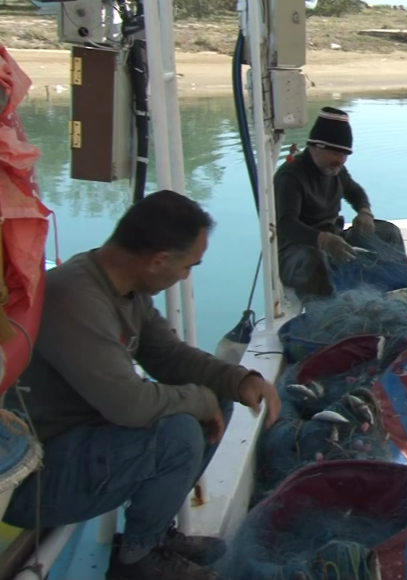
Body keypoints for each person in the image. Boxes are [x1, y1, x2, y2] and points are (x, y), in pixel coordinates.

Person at [3, 190, 282, 580]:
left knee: (217, 397)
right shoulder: (75, 298)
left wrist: (238, 379)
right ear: (158, 261)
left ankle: (153, 532)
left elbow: (168, 355)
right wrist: (199, 401)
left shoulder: (124, 286)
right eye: (188, 266)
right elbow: (128, 405)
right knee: (179, 433)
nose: (187, 276)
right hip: (35, 477)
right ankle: (136, 562)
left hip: (84, 441)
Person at [275, 106, 406, 298]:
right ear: (316, 147)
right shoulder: (291, 176)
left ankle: (393, 295)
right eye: (336, 153)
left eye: (345, 154)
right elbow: (287, 224)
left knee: (388, 233)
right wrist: (323, 240)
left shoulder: (336, 170)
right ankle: (325, 315)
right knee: (315, 260)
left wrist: (364, 211)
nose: (341, 160)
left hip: (336, 240)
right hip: (296, 253)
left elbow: (355, 192)